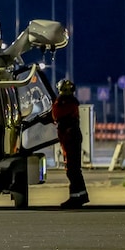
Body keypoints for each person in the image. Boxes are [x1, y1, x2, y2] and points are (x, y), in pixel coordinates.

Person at [53, 79, 89, 209]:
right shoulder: (69, 102)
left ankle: (76, 197)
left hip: (70, 138)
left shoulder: (66, 103)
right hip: (70, 137)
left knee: (72, 170)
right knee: (74, 170)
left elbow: (56, 114)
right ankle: (80, 195)